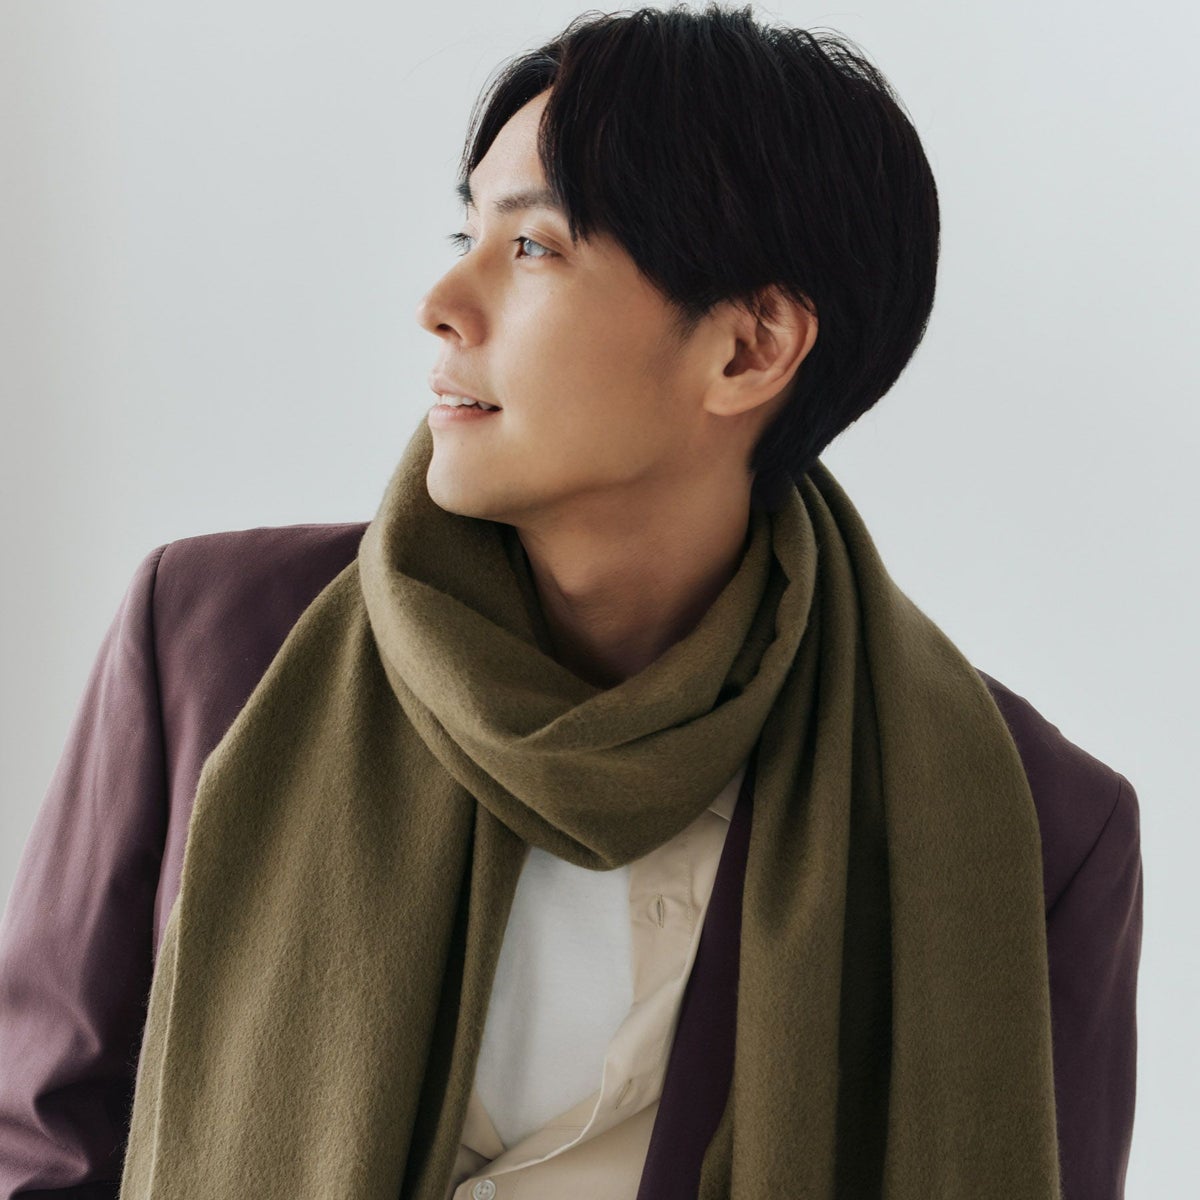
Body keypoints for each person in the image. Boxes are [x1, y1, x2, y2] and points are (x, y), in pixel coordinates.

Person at [0, 5, 1142, 1199]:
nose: (443, 299)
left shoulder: (1035, 828)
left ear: (750, 350)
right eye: (466, 231)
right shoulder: (209, 645)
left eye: (534, 247)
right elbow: (38, 1143)